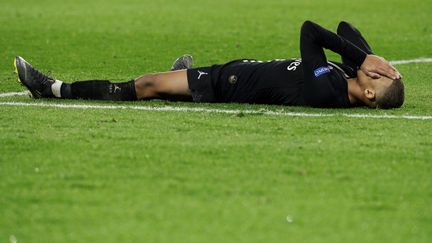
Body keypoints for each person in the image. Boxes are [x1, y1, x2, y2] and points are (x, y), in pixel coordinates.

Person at [14, 20, 404, 109]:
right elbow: (345, 29)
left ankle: (51, 88)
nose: (375, 69)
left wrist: (361, 59)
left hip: (223, 84)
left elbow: (311, 32)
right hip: (234, 72)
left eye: (378, 77)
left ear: (369, 94)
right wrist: (372, 61)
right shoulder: (346, 75)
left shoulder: (328, 90)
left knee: (145, 84)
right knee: (169, 81)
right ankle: (177, 81)